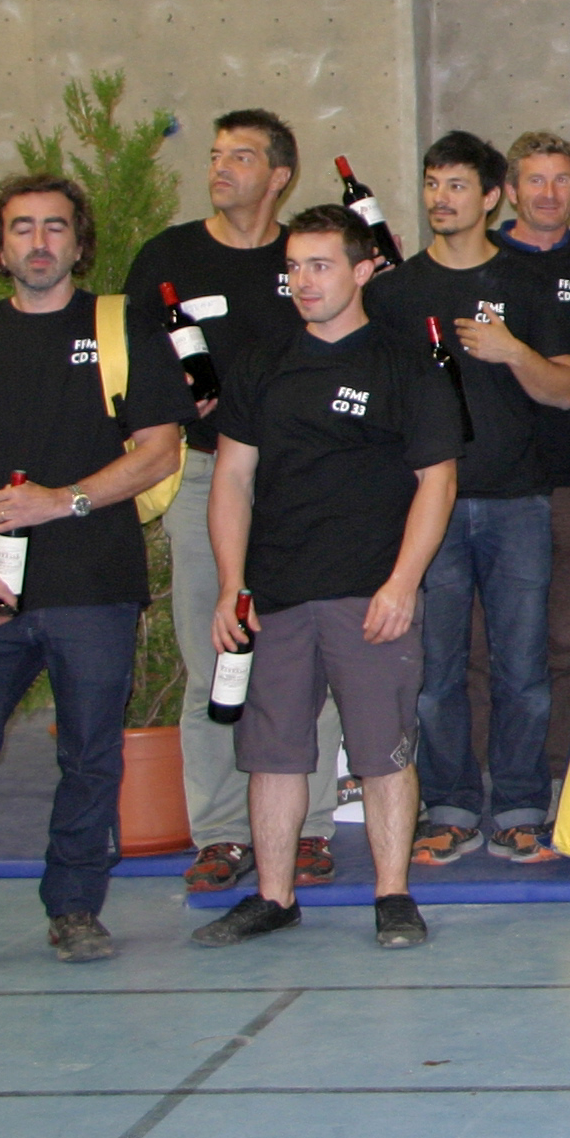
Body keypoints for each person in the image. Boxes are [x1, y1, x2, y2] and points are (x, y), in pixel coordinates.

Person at [0, 175, 190, 985]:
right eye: (22, 228)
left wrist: (63, 501)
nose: (40, 242)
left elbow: (158, 450)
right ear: (0, 247)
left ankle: (75, 909)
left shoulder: (121, 327)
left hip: (95, 587)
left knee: (90, 760)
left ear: (79, 244)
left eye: (56, 227)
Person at [192, 204, 460, 952]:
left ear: (364, 269)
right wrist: (231, 585)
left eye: (320, 265)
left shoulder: (405, 364)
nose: (303, 282)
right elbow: (231, 479)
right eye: (293, 268)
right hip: (275, 593)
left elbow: (437, 481)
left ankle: (393, 895)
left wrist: (402, 583)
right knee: (272, 754)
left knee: (382, 753)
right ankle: (273, 898)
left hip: (368, 593)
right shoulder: (261, 363)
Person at [124, 110, 337, 898]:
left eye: (240, 157)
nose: (220, 167)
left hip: (304, 482)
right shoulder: (169, 258)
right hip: (208, 476)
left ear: (279, 175)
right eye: (216, 155)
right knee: (212, 654)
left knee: (311, 655)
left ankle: (310, 827)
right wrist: (171, 399)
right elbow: (135, 363)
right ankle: (219, 832)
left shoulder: (306, 259)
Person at [370, 133, 570, 866]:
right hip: (424, 506)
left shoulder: (527, 284)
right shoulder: (393, 292)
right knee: (435, 672)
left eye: (458, 185)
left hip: (517, 500)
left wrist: (512, 350)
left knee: (522, 667)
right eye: (433, 183)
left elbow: (568, 389)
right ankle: (450, 806)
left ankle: (521, 806)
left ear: (493, 197)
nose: (442, 198)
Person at [493, 131, 570, 764]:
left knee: (563, 639)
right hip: (490, 482)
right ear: (510, 191)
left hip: (567, 476)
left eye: (562, 180)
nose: (548, 193)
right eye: (534, 180)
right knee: (484, 644)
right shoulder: (483, 262)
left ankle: (561, 775)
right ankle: (484, 784)